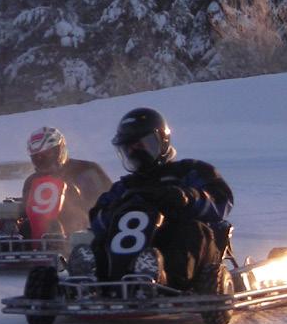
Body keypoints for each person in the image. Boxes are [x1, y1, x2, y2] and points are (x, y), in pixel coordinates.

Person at [88, 108, 233, 289]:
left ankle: (163, 279)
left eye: (142, 145)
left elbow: (221, 201)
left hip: (184, 250)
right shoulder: (125, 186)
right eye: (130, 147)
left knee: (190, 230)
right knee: (96, 238)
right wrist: (115, 209)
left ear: (162, 141)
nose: (135, 151)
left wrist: (187, 198)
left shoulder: (189, 170)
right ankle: (92, 277)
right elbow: (96, 219)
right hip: (136, 245)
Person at [22, 126, 112, 234]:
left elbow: (109, 202)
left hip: (84, 233)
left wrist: (73, 196)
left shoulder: (87, 171)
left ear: (60, 150)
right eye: (37, 157)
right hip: (40, 238)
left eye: (47, 154)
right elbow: (26, 212)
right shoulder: (32, 181)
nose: (42, 160)